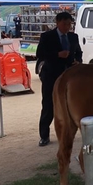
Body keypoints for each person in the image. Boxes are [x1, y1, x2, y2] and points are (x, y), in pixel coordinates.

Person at [36, 12, 82, 147]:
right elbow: (40, 54)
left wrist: (77, 61)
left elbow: (79, 52)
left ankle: (68, 132)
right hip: (51, 75)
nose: (67, 27)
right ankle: (44, 135)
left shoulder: (73, 37)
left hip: (69, 76)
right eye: (64, 24)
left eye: (69, 24)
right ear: (57, 22)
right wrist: (57, 54)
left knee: (69, 104)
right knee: (49, 105)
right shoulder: (47, 36)